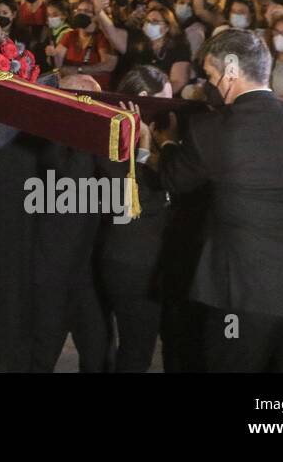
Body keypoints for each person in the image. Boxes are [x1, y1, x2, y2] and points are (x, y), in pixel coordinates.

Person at [157, 29, 283, 371]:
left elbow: (175, 179)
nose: (210, 84)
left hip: (244, 297)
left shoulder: (210, 129)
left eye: (212, 75)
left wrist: (166, 143)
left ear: (230, 71)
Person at [95, 66, 172, 372]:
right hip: (131, 261)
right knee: (136, 349)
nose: (169, 107)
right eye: (164, 101)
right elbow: (126, 199)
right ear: (143, 98)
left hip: (150, 258)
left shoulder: (157, 131)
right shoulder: (112, 133)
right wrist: (143, 147)